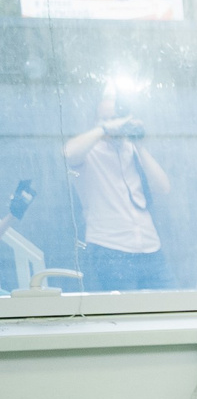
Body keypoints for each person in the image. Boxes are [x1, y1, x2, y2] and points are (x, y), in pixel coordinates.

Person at [62, 92, 171, 291]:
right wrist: (104, 129)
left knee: (169, 303)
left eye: (117, 118)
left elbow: (163, 187)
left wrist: (138, 144)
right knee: (126, 309)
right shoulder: (89, 153)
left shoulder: (132, 150)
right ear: (95, 122)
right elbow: (68, 153)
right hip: (110, 248)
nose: (114, 124)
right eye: (106, 118)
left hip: (150, 246)